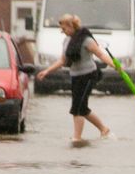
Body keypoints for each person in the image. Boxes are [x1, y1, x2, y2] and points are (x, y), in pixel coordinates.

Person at [36, 14, 113, 143]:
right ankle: (104, 129)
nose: (62, 31)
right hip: (75, 77)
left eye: (64, 28)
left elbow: (100, 54)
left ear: (71, 26)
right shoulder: (67, 41)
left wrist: (114, 65)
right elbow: (62, 60)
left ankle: (77, 138)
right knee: (80, 108)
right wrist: (47, 71)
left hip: (89, 75)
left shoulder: (86, 40)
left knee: (79, 108)